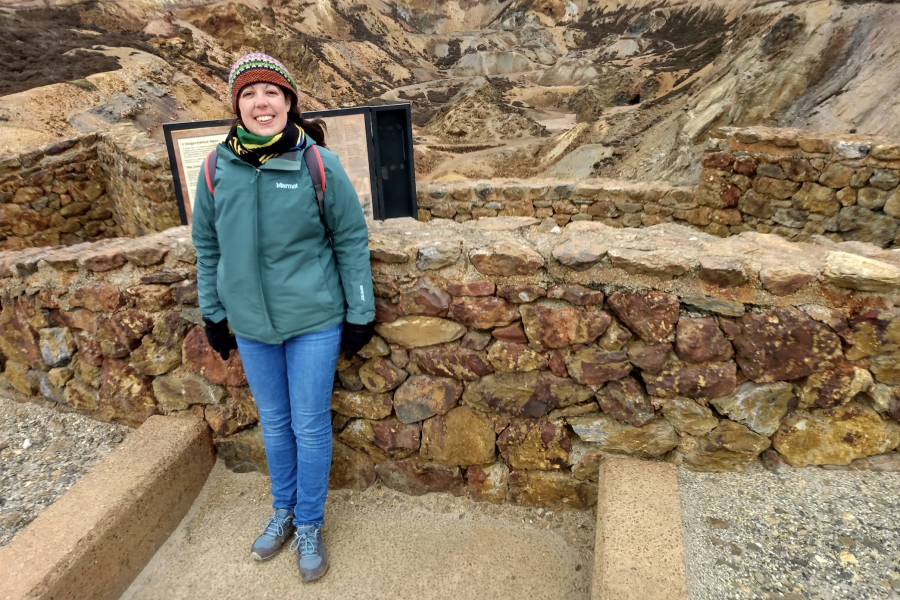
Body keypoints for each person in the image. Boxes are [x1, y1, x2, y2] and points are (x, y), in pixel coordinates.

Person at [191, 53, 376, 582]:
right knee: (275, 424)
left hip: (314, 319)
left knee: (310, 425)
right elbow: (207, 246)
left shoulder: (318, 164)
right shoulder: (214, 169)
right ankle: (284, 512)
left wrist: (360, 310)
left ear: (290, 102)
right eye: (249, 94)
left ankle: (311, 523)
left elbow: (350, 239)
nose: (261, 103)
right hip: (250, 324)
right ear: (237, 106)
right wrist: (213, 312)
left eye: (271, 92)